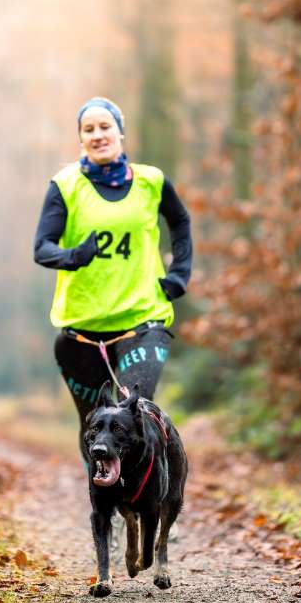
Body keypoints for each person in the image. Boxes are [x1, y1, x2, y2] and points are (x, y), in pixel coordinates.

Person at [33, 97, 192, 455]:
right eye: (88, 129)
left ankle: (141, 503)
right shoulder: (65, 186)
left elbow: (180, 222)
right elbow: (41, 247)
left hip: (142, 319)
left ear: (120, 132)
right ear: (81, 141)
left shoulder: (152, 181)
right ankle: (105, 504)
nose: (98, 134)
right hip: (82, 330)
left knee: (134, 412)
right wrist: (73, 256)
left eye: (105, 126)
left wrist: (180, 273)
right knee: (95, 425)